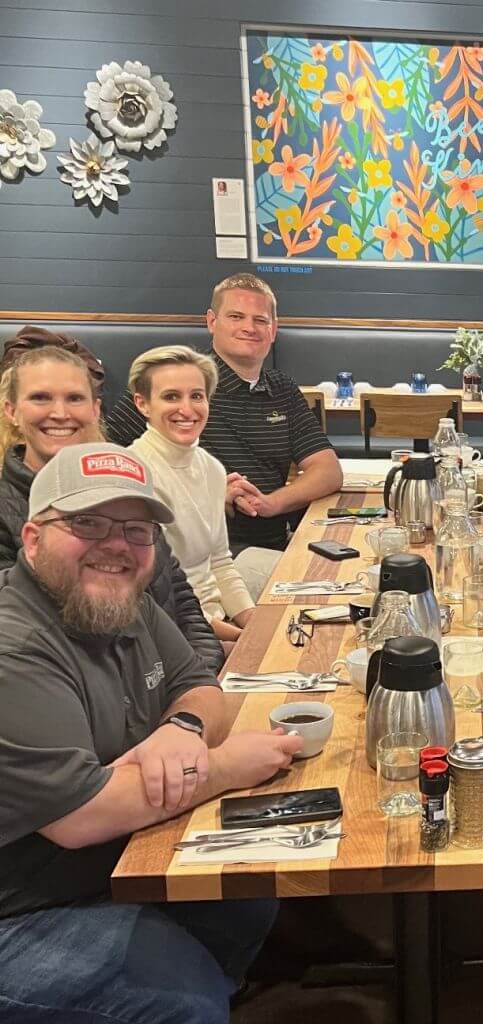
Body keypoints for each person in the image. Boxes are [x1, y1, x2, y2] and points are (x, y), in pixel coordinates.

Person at [0, 442, 303, 1022]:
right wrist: (221, 765)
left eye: (137, 530)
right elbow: (83, 814)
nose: (117, 545)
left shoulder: (123, 601)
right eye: (88, 523)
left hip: (98, 863)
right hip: (19, 908)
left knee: (246, 892)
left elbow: (201, 685)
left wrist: (182, 730)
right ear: (33, 538)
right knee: (178, 999)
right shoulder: (15, 646)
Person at [0, 341, 224, 674]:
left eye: (75, 398)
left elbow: (179, 595)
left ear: (94, 410)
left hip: (173, 678)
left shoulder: (124, 484)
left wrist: (202, 675)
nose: (60, 413)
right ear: (11, 411)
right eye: (41, 397)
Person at [105, 273, 343, 558]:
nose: (249, 328)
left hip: (275, 545)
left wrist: (271, 503)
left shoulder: (283, 389)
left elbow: (328, 471)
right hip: (198, 554)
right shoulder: (175, 384)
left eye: (260, 320)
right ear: (211, 321)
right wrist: (207, 498)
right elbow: (105, 466)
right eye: (236, 316)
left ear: (274, 329)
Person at [129, 345, 263, 652]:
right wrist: (242, 642)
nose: (187, 410)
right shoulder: (136, 475)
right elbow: (156, 597)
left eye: (197, 396)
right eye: (171, 396)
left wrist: (256, 623)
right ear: (143, 403)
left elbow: (220, 563)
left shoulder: (211, 468)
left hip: (215, 623)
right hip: (171, 635)